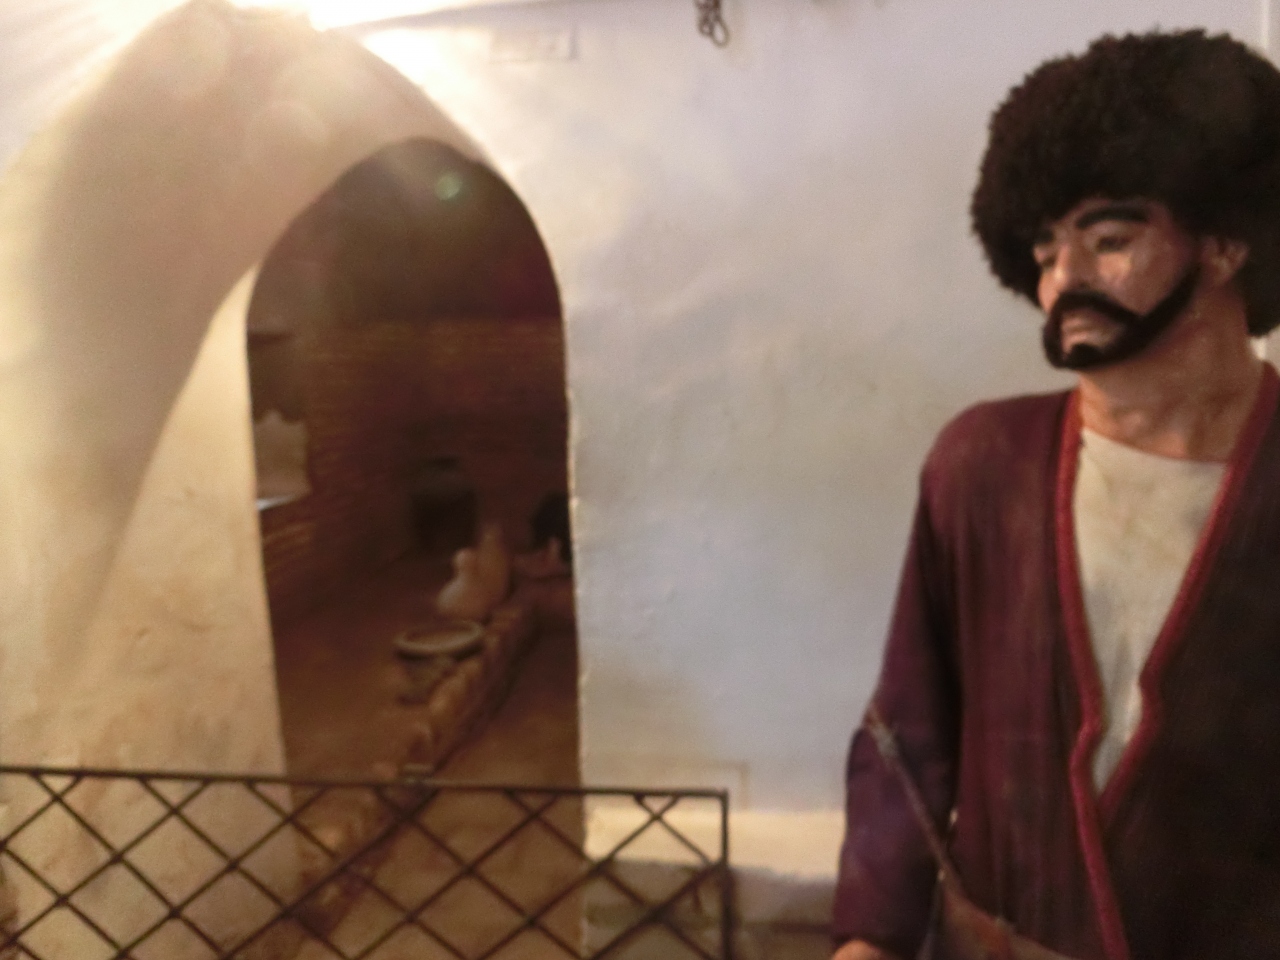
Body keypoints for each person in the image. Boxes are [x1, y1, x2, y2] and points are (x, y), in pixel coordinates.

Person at [832, 30, 1280, 960]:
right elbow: (908, 735)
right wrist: (868, 940)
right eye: (1044, 251)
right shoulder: (982, 464)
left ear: (1227, 242)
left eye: (1109, 241)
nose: (1063, 280)